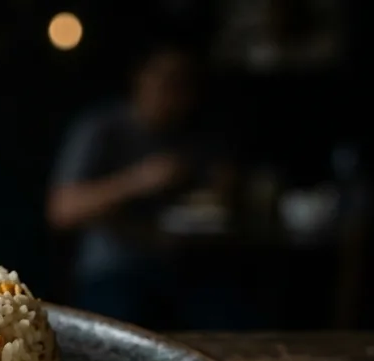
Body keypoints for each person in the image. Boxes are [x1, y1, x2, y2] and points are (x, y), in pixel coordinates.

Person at [47, 41, 246, 329]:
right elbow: (61, 210)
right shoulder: (101, 127)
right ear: (140, 77)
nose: (175, 92)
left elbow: (221, 200)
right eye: (166, 79)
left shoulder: (196, 134)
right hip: (114, 271)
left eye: (185, 83)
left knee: (235, 319)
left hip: (186, 270)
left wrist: (222, 189)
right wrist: (140, 180)